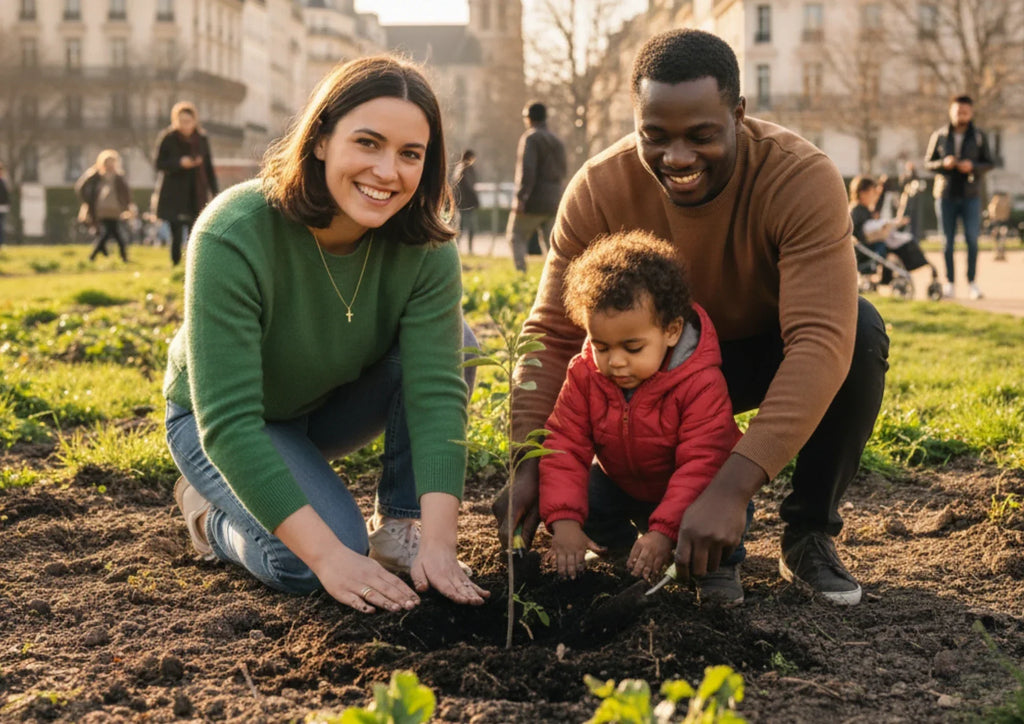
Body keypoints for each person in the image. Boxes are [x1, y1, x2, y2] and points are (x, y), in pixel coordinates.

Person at [494, 28, 889, 607]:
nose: (677, 158)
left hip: (758, 354)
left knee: (861, 329)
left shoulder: (800, 177)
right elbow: (552, 334)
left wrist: (730, 490)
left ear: (738, 114)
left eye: (702, 136)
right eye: (654, 136)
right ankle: (642, 519)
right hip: (648, 369)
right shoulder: (598, 189)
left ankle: (808, 533)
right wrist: (527, 460)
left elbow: (819, 341)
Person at [165, 55, 488, 614]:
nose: (387, 171)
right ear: (320, 140)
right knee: (308, 563)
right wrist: (329, 558)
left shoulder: (425, 248)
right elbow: (229, 423)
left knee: (457, 344)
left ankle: (400, 527)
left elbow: (437, 394)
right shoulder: (234, 231)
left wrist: (441, 544)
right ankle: (209, 519)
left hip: (324, 407)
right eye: (368, 143)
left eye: (410, 154)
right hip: (218, 423)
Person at [539, 231, 746, 604]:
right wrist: (564, 522)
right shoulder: (585, 374)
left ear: (672, 331)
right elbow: (564, 445)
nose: (615, 362)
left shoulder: (700, 383)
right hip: (623, 484)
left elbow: (702, 463)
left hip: (691, 492)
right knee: (587, 494)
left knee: (714, 512)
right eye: (601, 346)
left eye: (632, 348)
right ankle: (622, 551)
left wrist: (664, 531)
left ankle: (716, 568)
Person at [925, 94, 994, 300]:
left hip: (970, 195)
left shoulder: (979, 136)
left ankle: (972, 282)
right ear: (951, 111)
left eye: (965, 112)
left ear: (971, 113)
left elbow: (989, 163)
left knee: (972, 240)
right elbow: (928, 162)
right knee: (947, 242)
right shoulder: (939, 135)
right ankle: (950, 283)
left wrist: (972, 166)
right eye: (958, 111)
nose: (961, 115)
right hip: (945, 194)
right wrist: (943, 163)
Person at [153, 101, 219, 266]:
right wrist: (179, 163)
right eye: (181, 121)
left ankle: (193, 265)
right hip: (174, 192)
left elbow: (208, 167)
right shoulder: (168, 138)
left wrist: (215, 192)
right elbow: (159, 163)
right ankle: (175, 264)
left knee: (195, 230)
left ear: (194, 121)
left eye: (188, 121)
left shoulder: (202, 140)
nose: (185, 125)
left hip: (196, 191)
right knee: (176, 231)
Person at [506, 101, 567, 272]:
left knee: (515, 236)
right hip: (554, 200)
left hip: (534, 200)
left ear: (529, 118)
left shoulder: (531, 138)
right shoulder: (557, 141)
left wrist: (521, 198)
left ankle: (521, 274)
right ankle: (555, 277)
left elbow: (527, 170)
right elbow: (563, 171)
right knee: (551, 244)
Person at [75, 149, 132, 263]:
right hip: (101, 209)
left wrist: (127, 207)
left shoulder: (118, 177)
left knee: (109, 232)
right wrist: (88, 202)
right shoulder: (95, 175)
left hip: (115, 209)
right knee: (112, 232)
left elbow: (126, 193)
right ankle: (119, 256)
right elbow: (81, 188)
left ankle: (98, 254)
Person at [452, 149, 480, 254]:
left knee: (460, 226)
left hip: (460, 202)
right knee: (469, 226)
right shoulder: (467, 169)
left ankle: (458, 247)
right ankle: (469, 249)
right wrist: (475, 200)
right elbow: (470, 187)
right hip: (468, 203)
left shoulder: (458, 168)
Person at [986, 191, 1012, 261]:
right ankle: (998, 253)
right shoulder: (997, 202)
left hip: (1000, 223)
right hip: (998, 223)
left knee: (1001, 237)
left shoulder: (996, 202)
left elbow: (993, 213)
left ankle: (1000, 253)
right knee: (999, 238)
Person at [0, 163, 9, 249]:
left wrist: (7, 204)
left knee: (1, 227)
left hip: (3, 208)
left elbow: (6, 195)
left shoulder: (3, 182)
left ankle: (1, 243)